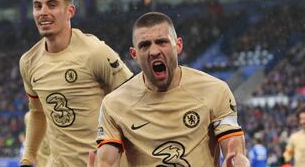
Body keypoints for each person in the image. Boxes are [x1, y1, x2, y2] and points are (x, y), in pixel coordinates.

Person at [94, 12, 249, 166]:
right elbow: (106, 161)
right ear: (134, 54)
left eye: (162, 42)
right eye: (144, 45)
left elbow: (234, 150)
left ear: (179, 45)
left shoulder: (215, 90)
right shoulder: (114, 104)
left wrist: (237, 162)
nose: (154, 51)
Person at [19, 0, 133, 166]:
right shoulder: (28, 62)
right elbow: (37, 113)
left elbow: (133, 98)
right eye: (38, 6)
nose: (43, 12)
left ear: (70, 11)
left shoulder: (95, 52)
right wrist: (27, 159)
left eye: (52, 4)